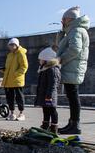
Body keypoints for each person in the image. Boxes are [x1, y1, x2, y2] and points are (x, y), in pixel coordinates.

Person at [56, 7, 91, 135]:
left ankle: (75, 125)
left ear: (70, 19)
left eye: (64, 18)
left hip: (73, 68)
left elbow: (75, 49)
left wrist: (60, 59)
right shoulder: (74, 30)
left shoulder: (76, 30)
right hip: (73, 68)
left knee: (73, 96)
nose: (62, 20)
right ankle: (72, 123)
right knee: (72, 96)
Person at [35, 47, 61, 134]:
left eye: (41, 59)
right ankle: (45, 126)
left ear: (46, 59)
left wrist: (49, 96)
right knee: (45, 110)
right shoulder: (44, 69)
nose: (39, 61)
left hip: (49, 96)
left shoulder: (52, 69)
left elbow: (52, 85)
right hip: (45, 95)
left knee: (52, 111)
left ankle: (54, 128)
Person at [2, 38, 29, 121]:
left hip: (17, 80)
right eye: (9, 45)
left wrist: (15, 74)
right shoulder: (9, 55)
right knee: (10, 97)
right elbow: (8, 67)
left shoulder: (21, 53)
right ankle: (12, 114)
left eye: (11, 45)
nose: (10, 47)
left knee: (19, 97)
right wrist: (4, 70)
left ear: (16, 45)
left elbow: (24, 66)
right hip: (8, 80)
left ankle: (21, 114)